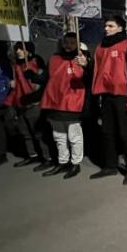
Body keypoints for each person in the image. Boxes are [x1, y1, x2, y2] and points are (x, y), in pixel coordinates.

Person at [91, 15, 127, 183]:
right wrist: (85, 64)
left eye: (111, 26)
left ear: (120, 28)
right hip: (106, 95)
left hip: (123, 96)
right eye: (106, 26)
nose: (106, 28)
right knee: (107, 132)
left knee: (125, 134)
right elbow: (95, 71)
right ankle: (110, 166)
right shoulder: (100, 47)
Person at [38, 33, 91, 179]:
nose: (68, 45)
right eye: (66, 42)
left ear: (78, 44)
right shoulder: (54, 58)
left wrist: (86, 65)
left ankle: (75, 163)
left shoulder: (81, 59)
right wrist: (31, 75)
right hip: (55, 102)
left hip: (72, 103)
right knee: (59, 136)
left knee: (74, 136)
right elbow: (45, 78)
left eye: (72, 43)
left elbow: (89, 78)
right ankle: (62, 162)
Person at [5, 42, 50, 167]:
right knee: (25, 133)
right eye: (17, 49)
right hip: (21, 104)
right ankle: (33, 155)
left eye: (21, 49)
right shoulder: (16, 66)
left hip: (33, 103)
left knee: (39, 134)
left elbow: (39, 82)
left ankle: (48, 157)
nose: (18, 51)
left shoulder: (35, 62)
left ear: (28, 51)